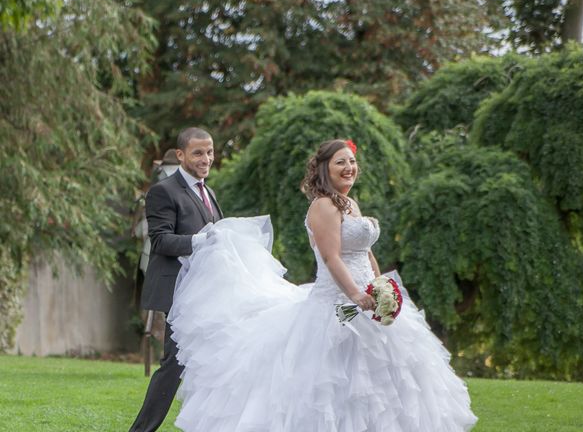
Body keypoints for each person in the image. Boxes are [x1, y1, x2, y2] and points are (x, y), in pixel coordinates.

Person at [168, 139, 478, 431]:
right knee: (335, 369)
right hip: (337, 304)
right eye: (341, 162)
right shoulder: (323, 206)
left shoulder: (349, 203)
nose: (349, 167)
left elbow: (365, 252)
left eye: (352, 161)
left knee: (384, 376)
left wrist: (379, 284)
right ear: (325, 168)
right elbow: (331, 258)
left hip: (367, 299)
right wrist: (355, 294)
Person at [129, 128, 223, 432]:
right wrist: (199, 240)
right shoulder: (163, 191)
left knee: (212, 360)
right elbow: (160, 240)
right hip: (179, 291)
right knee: (174, 364)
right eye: (198, 152)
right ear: (180, 155)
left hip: (208, 290)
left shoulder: (208, 191)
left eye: (209, 152)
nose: (206, 158)